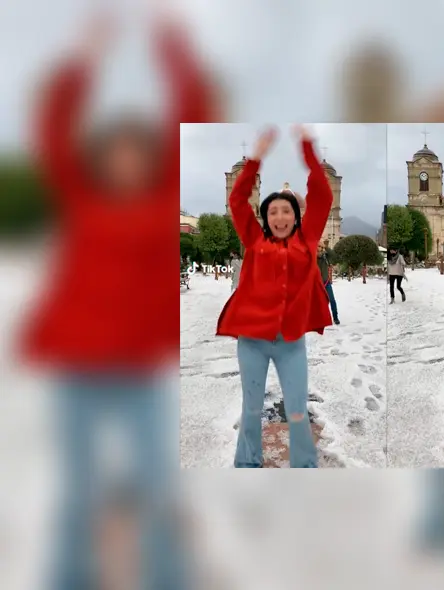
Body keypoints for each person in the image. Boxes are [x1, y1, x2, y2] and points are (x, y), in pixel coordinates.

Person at [18, 10, 214, 588]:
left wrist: (171, 43)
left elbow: (193, 109)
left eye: (138, 151)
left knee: (157, 484)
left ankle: (169, 578)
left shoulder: (163, 200)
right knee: (79, 491)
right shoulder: (79, 196)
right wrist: (84, 59)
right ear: (99, 159)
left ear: (152, 159)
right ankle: (69, 578)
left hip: (138, 368)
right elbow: (53, 130)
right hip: (79, 366)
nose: (127, 161)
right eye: (116, 151)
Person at [216, 124, 334, 468]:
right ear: (265, 218)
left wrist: (308, 148)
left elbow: (322, 195)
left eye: (287, 211)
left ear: (296, 217)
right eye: (273, 211)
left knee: (297, 411)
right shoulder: (254, 240)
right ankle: (247, 464)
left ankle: (304, 466)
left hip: (291, 342)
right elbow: (237, 200)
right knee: (252, 408)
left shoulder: (307, 240)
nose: (280, 216)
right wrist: (255, 159)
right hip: (252, 341)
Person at [316, 245, 341, 324]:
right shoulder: (313, 258)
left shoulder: (326, 257)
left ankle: (335, 317)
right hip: (317, 285)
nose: (319, 252)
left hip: (326, 283)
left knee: (332, 300)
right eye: (317, 250)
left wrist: (326, 246)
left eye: (320, 249)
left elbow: (333, 255)